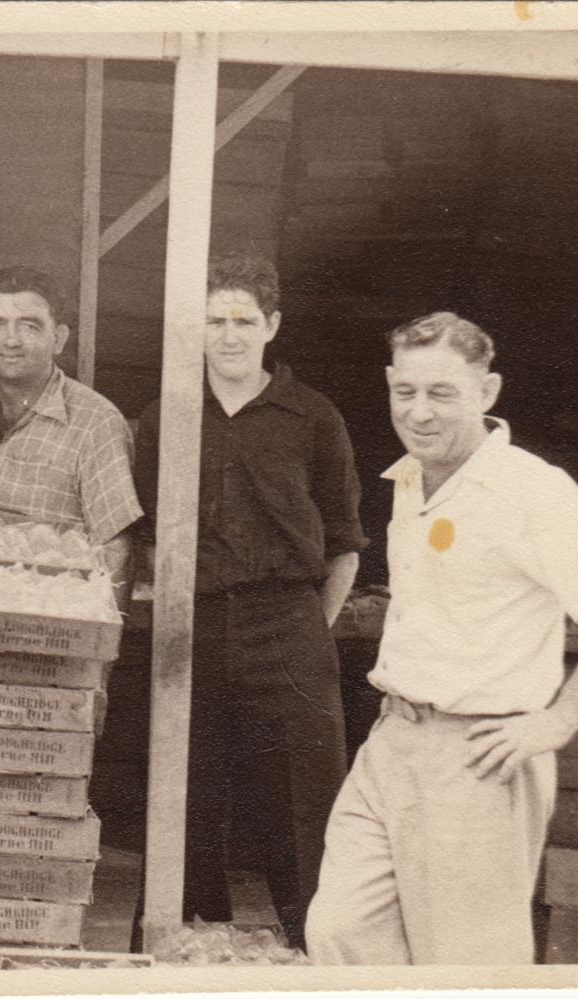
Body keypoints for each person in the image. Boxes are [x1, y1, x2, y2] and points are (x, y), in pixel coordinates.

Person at [305, 313, 578, 965]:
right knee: (341, 930)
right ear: (388, 384)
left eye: (442, 393)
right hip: (393, 742)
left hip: (478, 756)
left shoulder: (528, 489)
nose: (420, 412)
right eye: (405, 391)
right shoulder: (409, 479)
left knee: (467, 965)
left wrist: (562, 718)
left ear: (487, 391)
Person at [131, 253, 366, 950]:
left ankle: (313, 952)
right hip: (192, 625)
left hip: (289, 622)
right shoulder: (163, 416)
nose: (228, 335)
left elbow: (345, 546)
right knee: (185, 794)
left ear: (272, 325)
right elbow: (145, 537)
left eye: (243, 320)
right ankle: (179, 957)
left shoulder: (314, 417)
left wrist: (305, 633)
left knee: (303, 803)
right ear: (194, 329)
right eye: (213, 321)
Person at [0, 265, 142, 605]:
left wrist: (98, 651)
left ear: (59, 338)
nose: (11, 340)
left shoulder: (96, 422)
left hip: (50, 632)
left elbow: (116, 549)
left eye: (29, 325)